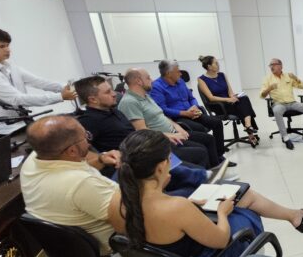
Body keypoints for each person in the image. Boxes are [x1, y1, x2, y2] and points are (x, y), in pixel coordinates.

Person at [107, 129, 303, 257]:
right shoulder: (175, 207)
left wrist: (189, 206)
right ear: (162, 166)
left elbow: (147, 222)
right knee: (243, 209)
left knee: (242, 196)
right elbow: (221, 240)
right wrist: (223, 213)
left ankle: (293, 215)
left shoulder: (116, 200)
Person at [75, 75, 212, 192]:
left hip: (146, 151)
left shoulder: (114, 111)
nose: (113, 93)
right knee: (194, 173)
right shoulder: (89, 122)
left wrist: (163, 135)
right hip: (134, 166)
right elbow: (84, 154)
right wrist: (104, 157)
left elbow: (134, 132)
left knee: (195, 163)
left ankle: (205, 181)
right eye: (107, 92)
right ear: (93, 99)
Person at [20, 115, 123, 254]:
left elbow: (78, 165)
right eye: (86, 137)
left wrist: (101, 159)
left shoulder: (36, 157)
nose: (88, 142)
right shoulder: (82, 184)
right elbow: (127, 222)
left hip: (72, 247)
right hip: (114, 243)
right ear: (72, 151)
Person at [0, 24, 76, 145]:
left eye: (8, 45)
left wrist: (70, 87)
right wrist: (60, 97)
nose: (8, 50)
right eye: (1, 46)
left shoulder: (7, 65)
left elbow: (39, 82)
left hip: (19, 122)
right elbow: (16, 99)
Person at [118, 68, 223, 169]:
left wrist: (177, 126)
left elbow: (161, 115)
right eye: (148, 78)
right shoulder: (130, 102)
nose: (152, 80)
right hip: (162, 141)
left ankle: (215, 170)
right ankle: (207, 180)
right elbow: (142, 131)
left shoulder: (146, 96)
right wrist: (171, 135)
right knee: (201, 151)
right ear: (139, 81)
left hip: (172, 132)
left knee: (208, 139)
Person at [151, 59, 228, 158]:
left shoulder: (180, 81)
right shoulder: (157, 87)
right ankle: (209, 157)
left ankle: (219, 155)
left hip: (192, 113)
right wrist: (184, 113)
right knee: (200, 129)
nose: (180, 73)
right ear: (169, 73)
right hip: (177, 117)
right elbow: (163, 109)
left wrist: (194, 106)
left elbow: (191, 98)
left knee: (217, 123)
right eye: (177, 71)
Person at [197, 55, 259, 146]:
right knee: (242, 107)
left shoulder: (222, 75)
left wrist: (233, 97)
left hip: (229, 101)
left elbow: (230, 92)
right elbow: (211, 98)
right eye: (216, 63)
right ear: (209, 67)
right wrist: (228, 99)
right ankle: (249, 131)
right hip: (219, 105)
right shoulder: (201, 79)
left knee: (244, 99)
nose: (218, 65)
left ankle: (248, 126)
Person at [260, 58, 303, 150]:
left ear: (280, 66)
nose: (271, 67)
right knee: (277, 111)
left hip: (292, 103)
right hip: (278, 104)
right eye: (270, 65)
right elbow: (262, 95)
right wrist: (269, 88)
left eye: (273, 64)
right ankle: (286, 138)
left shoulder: (288, 76)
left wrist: (295, 78)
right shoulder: (268, 79)